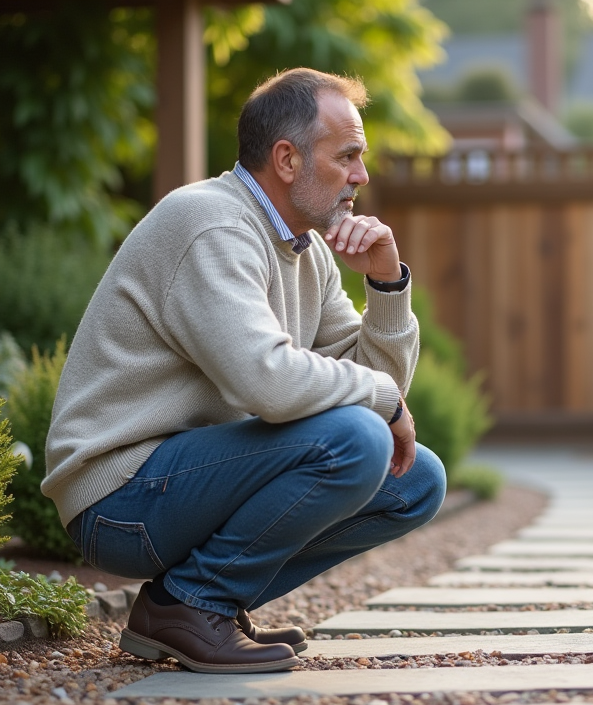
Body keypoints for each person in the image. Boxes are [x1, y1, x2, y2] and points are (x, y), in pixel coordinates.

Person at [42, 68, 447, 674]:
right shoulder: (211, 223)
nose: (362, 175)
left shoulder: (305, 250)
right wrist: (382, 399)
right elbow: (268, 381)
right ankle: (191, 604)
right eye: (348, 156)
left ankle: (205, 602)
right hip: (119, 496)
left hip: (188, 478)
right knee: (356, 439)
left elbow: (373, 390)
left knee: (415, 481)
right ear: (287, 159)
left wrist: (386, 285)